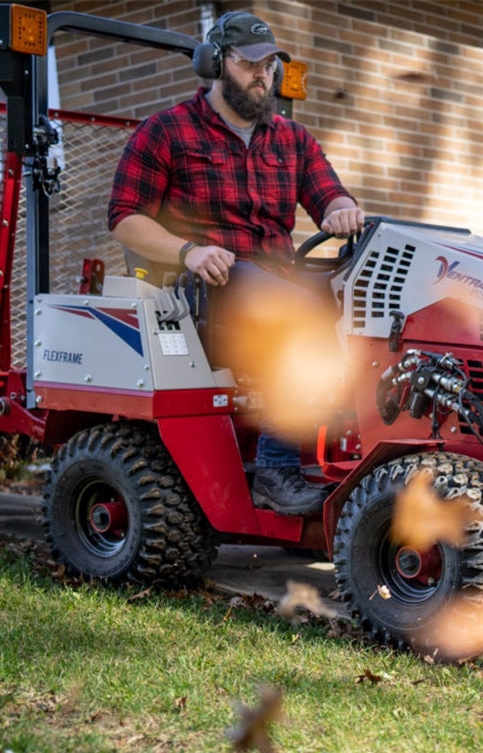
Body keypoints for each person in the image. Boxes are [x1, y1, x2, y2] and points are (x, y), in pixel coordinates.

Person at [107, 11, 365, 515]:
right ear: (216, 62)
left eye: (269, 66)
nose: (262, 75)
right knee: (300, 313)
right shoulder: (167, 131)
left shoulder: (293, 139)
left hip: (277, 281)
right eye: (250, 64)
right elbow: (124, 218)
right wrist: (190, 250)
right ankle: (275, 469)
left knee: (372, 309)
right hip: (206, 287)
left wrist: (342, 210)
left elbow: (330, 196)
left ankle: (356, 453)